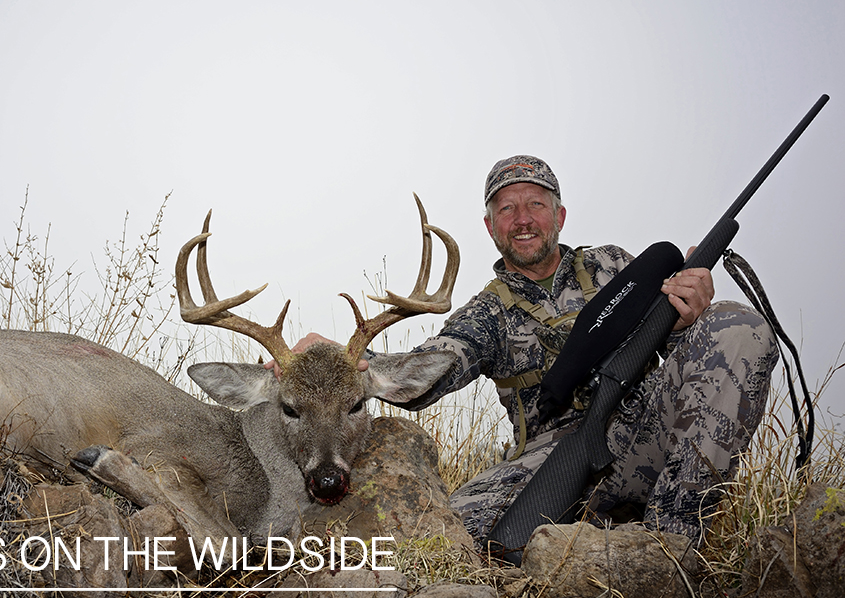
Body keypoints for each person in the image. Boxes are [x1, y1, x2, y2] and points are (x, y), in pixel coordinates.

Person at [291, 155, 778, 544]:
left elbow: (682, 349)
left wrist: (687, 318)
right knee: (441, 536)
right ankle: (593, 533)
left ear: (559, 215)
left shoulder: (616, 267)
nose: (523, 219)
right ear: (490, 227)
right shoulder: (486, 312)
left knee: (738, 326)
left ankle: (671, 546)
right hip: (552, 461)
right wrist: (339, 362)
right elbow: (431, 369)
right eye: (506, 208)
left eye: (536, 205)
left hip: (650, 434)